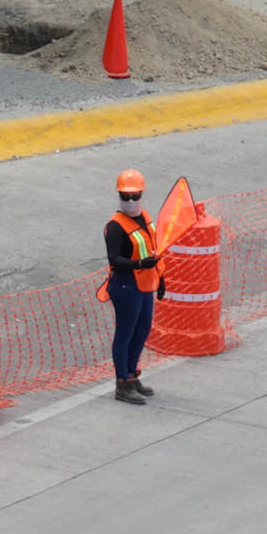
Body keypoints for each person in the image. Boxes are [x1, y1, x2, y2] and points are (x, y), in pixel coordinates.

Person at [105, 169, 161, 403]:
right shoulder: (115, 226)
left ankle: (131, 373)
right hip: (126, 285)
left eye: (134, 196)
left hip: (145, 283)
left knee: (142, 330)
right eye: (125, 196)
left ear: (142, 194)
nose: (130, 201)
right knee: (125, 333)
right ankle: (122, 383)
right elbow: (114, 260)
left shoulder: (145, 218)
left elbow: (154, 249)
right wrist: (140, 263)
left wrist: (161, 278)